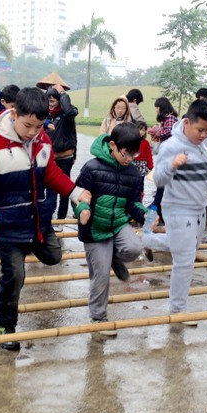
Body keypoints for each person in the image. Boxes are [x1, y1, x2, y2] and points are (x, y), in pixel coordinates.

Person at [0, 87, 91, 351]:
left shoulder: (43, 142)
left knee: (54, 256)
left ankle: (29, 246)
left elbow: (50, 173)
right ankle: (5, 325)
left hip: (36, 221)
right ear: (14, 113)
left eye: (39, 126)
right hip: (5, 224)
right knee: (14, 274)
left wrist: (74, 191)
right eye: (28, 125)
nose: (32, 132)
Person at [142, 99, 207, 322]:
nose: (203, 135)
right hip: (177, 209)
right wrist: (173, 165)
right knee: (184, 261)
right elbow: (160, 179)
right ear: (186, 123)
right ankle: (178, 310)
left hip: (199, 209)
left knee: (185, 249)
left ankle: (147, 241)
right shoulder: (170, 146)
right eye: (199, 129)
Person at [73, 123, 148, 336]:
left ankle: (114, 258)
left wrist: (145, 215)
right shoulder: (92, 168)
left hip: (118, 224)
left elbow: (133, 203)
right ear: (113, 145)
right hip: (95, 229)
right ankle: (98, 317)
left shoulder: (133, 173)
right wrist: (83, 211)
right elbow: (77, 195)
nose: (130, 158)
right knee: (101, 275)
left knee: (134, 249)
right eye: (126, 153)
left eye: (135, 154)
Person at [45, 84, 79, 226]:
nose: (50, 104)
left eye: (53, 101)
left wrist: (63, 93)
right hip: (50, 157)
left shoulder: (66, 114)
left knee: (64, 189)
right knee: (50, 189)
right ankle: (48, 218)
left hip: (65, 156)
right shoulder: (46, 115)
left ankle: (60, 219)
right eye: (48, 101)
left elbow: (70, 111)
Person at [147, 96, 179, 221]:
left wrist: (156, 132)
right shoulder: (169, 118)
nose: (156, 110)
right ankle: (157, 206)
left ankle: (155, 207)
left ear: (160, 107)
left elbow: (169, 132)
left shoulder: (170, 118)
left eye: (156, 108)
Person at [132, 120, 153, 201]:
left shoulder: (146, 143)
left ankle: (139, 199)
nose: (141, 132)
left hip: (142, 165)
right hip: (133, 163)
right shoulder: (131, 141)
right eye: (140, 129)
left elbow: (149, 155)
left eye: (143, 130)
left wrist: (150, 166)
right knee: (132, 180)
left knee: (140, 182)